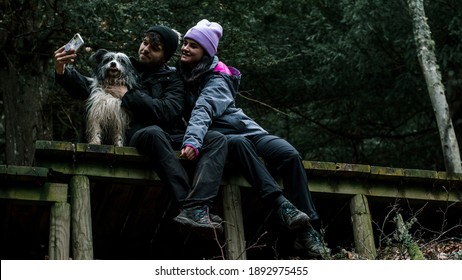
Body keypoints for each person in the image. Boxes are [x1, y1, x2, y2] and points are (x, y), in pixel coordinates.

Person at [53, 25, 227, 238]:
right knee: (153, 132)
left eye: (154, 47)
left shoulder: (173, 78)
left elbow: (168, 111)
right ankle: (186, 204)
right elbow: (90, 88)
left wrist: (128, 95)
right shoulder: (123, 65)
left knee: (217, 139)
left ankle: (199, 206)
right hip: (140, 134)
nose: (145, 49)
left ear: (165, 55)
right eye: (144, 42)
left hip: (170, 134)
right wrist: (61, 69)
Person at [177, 19, 331, 258]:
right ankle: (284, 208)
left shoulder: (218, 77)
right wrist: (194, 141)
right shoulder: (178, 76)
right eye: (185, 43)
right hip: (224, 140)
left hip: (246, 130)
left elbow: (205, 107)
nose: (185, 48)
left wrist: (192, 140)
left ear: (205, 52)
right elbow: (198, 113)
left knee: (289, 154)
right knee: (238, 144)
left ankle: (307, 228)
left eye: (193, 46)